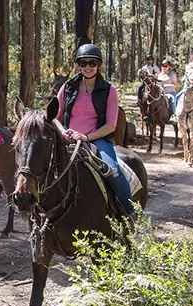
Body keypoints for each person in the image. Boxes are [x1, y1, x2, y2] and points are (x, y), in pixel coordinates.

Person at [55, 44, 136, 223]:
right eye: (83, 63)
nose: (88, 66)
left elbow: (110, 126)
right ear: (78, 65)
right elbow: (54, 116)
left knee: (112, 170)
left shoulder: (109, 90)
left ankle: (129, 211)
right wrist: (63, 132)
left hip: (97, 139)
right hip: (68, 139)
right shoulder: (68, 87)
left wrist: (86, 137)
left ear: (98, 64)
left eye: (92, 62)